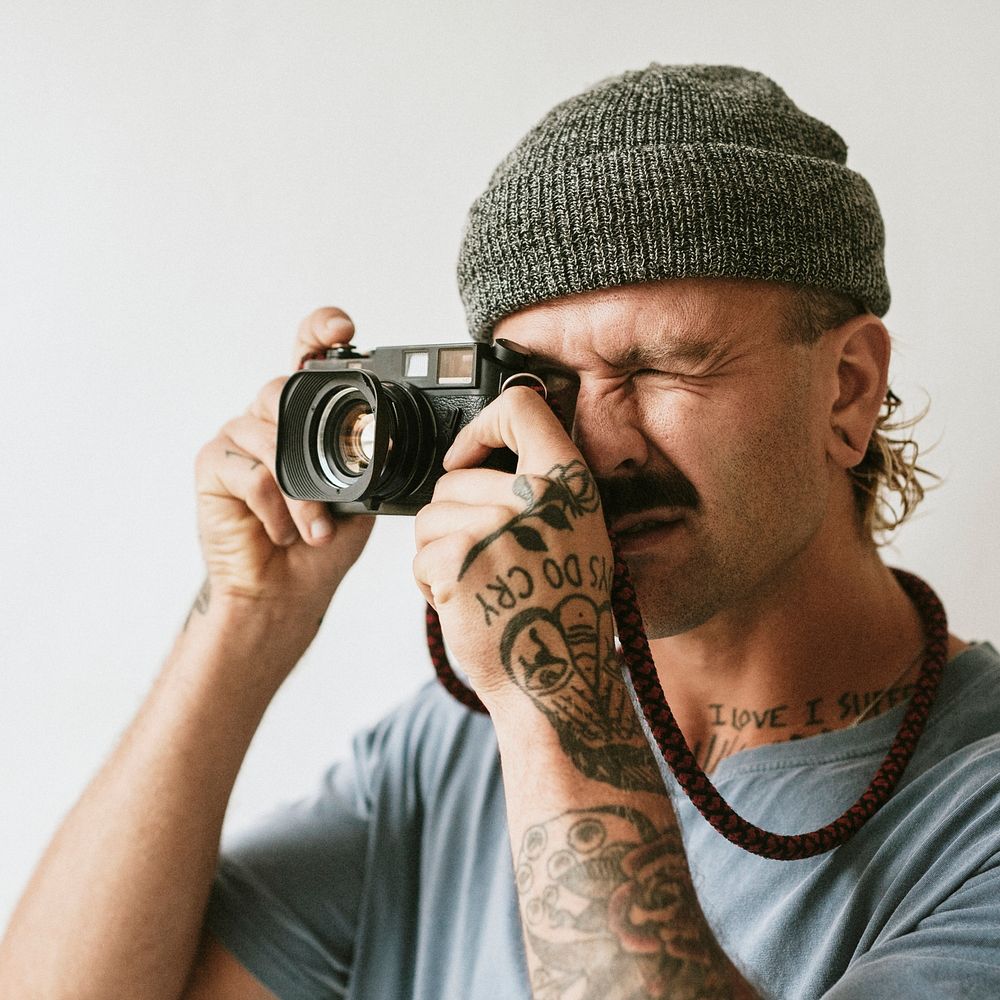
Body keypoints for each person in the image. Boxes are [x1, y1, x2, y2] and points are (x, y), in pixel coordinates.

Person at [1, 63, 997, 1000]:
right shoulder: (450, 747)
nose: (590, 447)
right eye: (539, 387)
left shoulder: (973, 809)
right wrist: (246, 621)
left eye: (660, 369)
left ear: (848, 388)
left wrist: (557, 696)